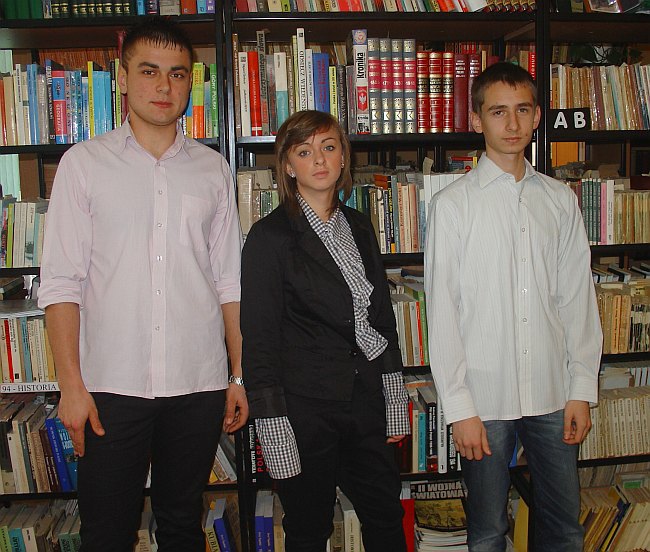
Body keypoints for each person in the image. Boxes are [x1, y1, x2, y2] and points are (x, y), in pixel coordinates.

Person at [37, 16, 248, 552]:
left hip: (197, 382)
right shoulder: (84, 165)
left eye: (177, 74)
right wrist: (71, 387)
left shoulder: (213, 169)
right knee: (106, 533)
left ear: (190, 83)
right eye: (149, 71)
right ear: (123, 78)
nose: (164, 86)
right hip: (110, 387)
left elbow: (229, 281)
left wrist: (239, 374)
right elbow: (61, 283)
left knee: (182, 526)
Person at [424, 62, 602, 552]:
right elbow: (443, 314)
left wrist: (581, 388)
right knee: (487, 532)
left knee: (564, 529)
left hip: (552, 393)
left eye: (522, 110)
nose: (512, 123)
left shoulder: (559, 201)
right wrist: (459, 408)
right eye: (498, 111)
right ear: (477, 119)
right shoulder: (453, 206)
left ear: (537, 116)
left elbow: (576, 300)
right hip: (485, 400)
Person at [241, 110, 410, 552]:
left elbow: (381, 320)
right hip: (304, 412)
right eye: (304, 151)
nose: (318, 159)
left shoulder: (359, 226)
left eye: (328, 147)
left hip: (366, 402)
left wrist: (394, 402)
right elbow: (259, 342)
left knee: (386, 516)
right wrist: (273, 428)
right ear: (288, 165)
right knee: (308, 529)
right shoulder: (268, 238)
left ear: (343, 158)